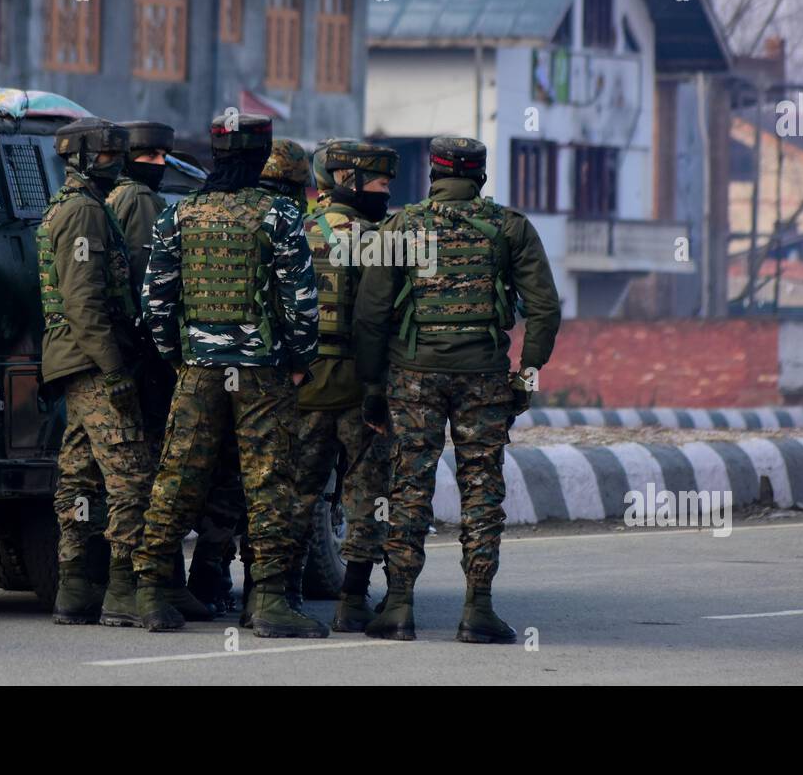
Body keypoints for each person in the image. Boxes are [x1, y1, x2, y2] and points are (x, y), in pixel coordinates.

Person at [353, 136, 561, 643]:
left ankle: (399, 607)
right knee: (482, 489)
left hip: (413, 377)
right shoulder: (510, 227)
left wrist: (374, 388)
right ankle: (478, 610)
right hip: (485, 380)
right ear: (480, 175)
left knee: (408, 488)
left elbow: (371, 316)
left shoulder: (400, 227)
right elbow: (545, 309)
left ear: (434, 172)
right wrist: (525, 377)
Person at [132, 113, 326, 638]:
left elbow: (154, 301)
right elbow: (302, 303)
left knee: (177, 477)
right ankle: (267, 601)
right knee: (270, 484)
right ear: (261, 157)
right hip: (263, 374)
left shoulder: (181, 214)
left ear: (215, 155)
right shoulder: (280, 215)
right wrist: (300, 362)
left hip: (198, 369)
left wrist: (179, 356)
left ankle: (151, 593)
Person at [36, 118, 153, 628]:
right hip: (91, 363)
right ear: (82, 157)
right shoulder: (83, 212)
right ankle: (122, 589)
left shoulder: (79, 207)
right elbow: (84, 303)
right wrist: (115, 371)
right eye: (107, 155)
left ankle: (75, 586)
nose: (117, 164)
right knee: (131, 478)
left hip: (75, 363)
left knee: (80, 476)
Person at [106, 120, 212, 623]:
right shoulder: (143, 203)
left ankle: (158, 583)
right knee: (157, 472)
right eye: (151, 157)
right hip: (147, 355)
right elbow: (155, 284)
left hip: (120, 351)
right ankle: (154, 585)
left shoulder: (108, 198)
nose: (158, 165)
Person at [290, 141, 398, 630]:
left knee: (293, 493)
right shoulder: (380, 239)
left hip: (303, 387)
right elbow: (395, 319)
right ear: (349, 181)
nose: (387, 192)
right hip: (360, 389)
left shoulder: (294, 230)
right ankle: (352, 600)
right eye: (380, 183)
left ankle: (274, 594)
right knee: (367, 494)